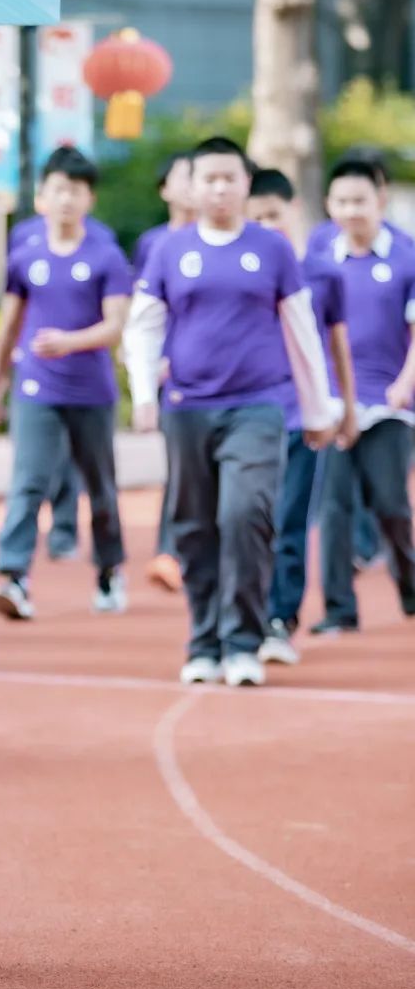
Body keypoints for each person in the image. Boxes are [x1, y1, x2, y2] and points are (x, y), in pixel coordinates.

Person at [125, 137, 336, 688]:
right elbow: (143, 326)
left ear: (247, 184)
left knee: (246, 516)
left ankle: (243, 639)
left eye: (230, 178)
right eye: (209, 178)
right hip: (188, 409)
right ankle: (205, 640)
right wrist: (144, 395)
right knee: (194, 528)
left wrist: (317, 410)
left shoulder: (272, 249)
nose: (219, 188)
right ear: (192, 186)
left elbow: (302, 332)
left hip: (258, 407)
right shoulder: (170, 251)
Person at [0, 146, 131, 620]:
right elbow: (8, 326)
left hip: (91, 391)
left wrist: (69, 341)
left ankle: (109, 571)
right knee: (28, 481)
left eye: (77, 190)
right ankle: (14, 576)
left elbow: (115, 327)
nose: (67, 199)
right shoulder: (25, 254)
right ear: (43, 196)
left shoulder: (106, 256)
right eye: (58, 190)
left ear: (89, 198)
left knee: (101, 488)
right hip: (36, 389)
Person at [248, 168, 359, 662]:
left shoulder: (322, 273)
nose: (268, 225)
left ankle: (279, 619)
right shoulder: (240, 270)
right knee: (244, 521)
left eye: (274, 214)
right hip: (248, 418)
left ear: (293, 211)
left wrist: (346, 409)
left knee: (290, 524)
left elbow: (337, 347)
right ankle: (242, 616)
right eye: (258, 218)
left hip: (302, 420)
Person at [311, 157, 415, 635]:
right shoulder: (318, 253)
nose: (351, 211)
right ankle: (338, 610)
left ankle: (410, 587)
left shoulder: (407, 255)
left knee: (391, 504)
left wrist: (404, 385)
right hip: (333, 403)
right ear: (330, 205)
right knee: (333, 507)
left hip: (391, 404)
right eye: (342, 202)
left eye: (360, 201)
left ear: (381, 201)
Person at [132, 153, 196, 595]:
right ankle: (169, 553)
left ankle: (189, 550)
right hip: (171, 376)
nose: (194, 185)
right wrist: (146, 364)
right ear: (166, 189)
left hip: (212, 374)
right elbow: (145, 314)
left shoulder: (221, 240)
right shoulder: (154, 244)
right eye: (184, 176)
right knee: (181, 468)